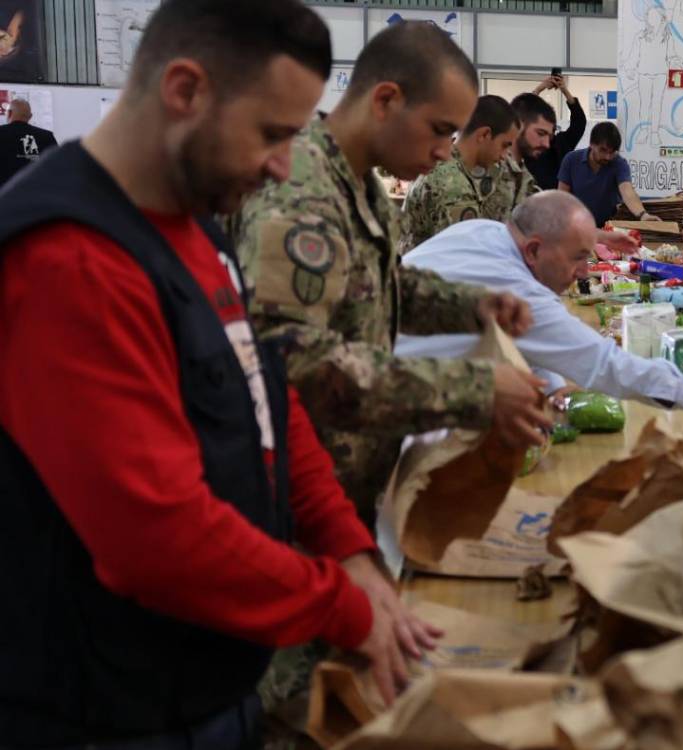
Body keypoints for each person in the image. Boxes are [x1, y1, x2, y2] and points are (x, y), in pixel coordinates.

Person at [0, 2, 438, 747]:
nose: (282, 165)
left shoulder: (192, 223)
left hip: (203, 686)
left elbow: (262, 394)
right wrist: (342, 606)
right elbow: (157, 541)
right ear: (184, 90)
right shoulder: (68, 261)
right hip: (107, 711)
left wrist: (348, 548)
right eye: (271, 134)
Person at [231, 21, 549, 528]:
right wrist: (474, 389)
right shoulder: (301, 196)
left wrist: (472, 305)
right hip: (299, 507)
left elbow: (379, 285)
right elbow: (290, 360)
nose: (445, 151)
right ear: (385, 101)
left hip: (348, 489)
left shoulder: (360, 184)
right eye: (439, 129)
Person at [397, 192, 683, 411]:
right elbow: (607, 365)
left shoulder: (481, 230)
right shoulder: (519, 291)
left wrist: (552, 388)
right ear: (534, 250)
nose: (584, 272)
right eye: (578, 257)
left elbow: (529, 341)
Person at [402, 94, 524, 250]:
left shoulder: (447, 165)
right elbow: (466, 252)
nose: (504, 155)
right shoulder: (452, 185)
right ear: (484, 135)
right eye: (504, 145)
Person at [558, 121, 656, 226]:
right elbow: (562, 196)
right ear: (591, 144)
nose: (608, 157)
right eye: (603, 150)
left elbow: (627, 190)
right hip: (577, 226)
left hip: (609, 226)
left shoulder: (619, 163)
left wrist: (643, 215)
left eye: (612, 152)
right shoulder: (571, 160)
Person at [522, 75, 587, 190]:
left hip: (557, 197)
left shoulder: (562, 143)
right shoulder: (528, 143)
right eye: (541, 132)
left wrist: (564, 90)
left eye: (550, 130)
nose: (545, 142)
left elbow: (579, 122)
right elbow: (523, 112)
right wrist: (540, 88)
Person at [0, 97, 57, 187]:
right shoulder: (46, 136)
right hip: (36, 191)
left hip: (5, 191)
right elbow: (56, 166)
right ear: (30, 116)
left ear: (9, 113)